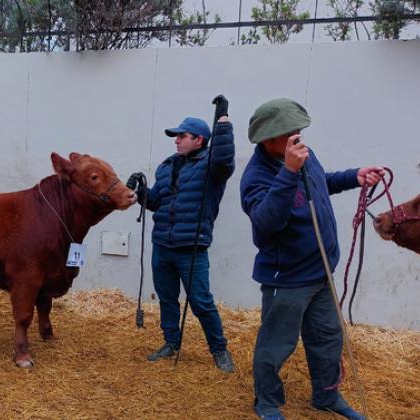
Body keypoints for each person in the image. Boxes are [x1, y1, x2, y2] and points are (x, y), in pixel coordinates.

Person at [240, 98, 383, 420]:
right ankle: (267, 401)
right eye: (289, 131)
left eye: (299, 129)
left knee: (328, 338)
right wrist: (289, 172)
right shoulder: (255, 176)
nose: (298, 135)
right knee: (276, 344)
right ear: (268, 139)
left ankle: (327, 396)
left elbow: (321, 183)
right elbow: (267, 221)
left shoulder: (305, 154)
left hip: (321, 271)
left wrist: (353, 176)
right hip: (287, 278)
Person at [126, 96, 236, 373]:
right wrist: (139, 193)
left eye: (182, 136)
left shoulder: (213, 164)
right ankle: (171, 343)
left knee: (201, 301)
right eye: (176, 136)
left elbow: (224, 156)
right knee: (166, 298)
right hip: (162, 244)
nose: (176, 140)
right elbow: (155, 202)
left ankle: (219, 350)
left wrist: (222, 120)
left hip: (192, 248)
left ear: (199, 139)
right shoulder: (166, 166)